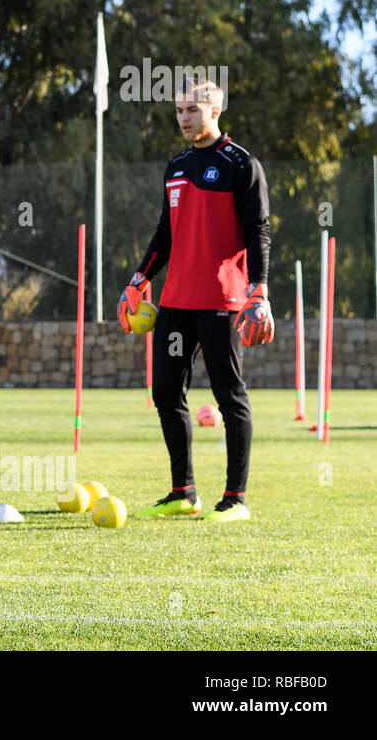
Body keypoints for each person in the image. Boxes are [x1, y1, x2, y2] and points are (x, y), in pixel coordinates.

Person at [118, 80, 273, 523]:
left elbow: (259, 232)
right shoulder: (177, 166)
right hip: (177, 302)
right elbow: (166, 232)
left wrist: (258, 290)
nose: (184, 117)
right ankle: (183, 492)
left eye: (192, 109)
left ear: (216, 110)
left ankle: (235, 499)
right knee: (165, 391)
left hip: (224, 300)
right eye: (179, 110)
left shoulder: (241, 164)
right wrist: (138, 279)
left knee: (229, 395)